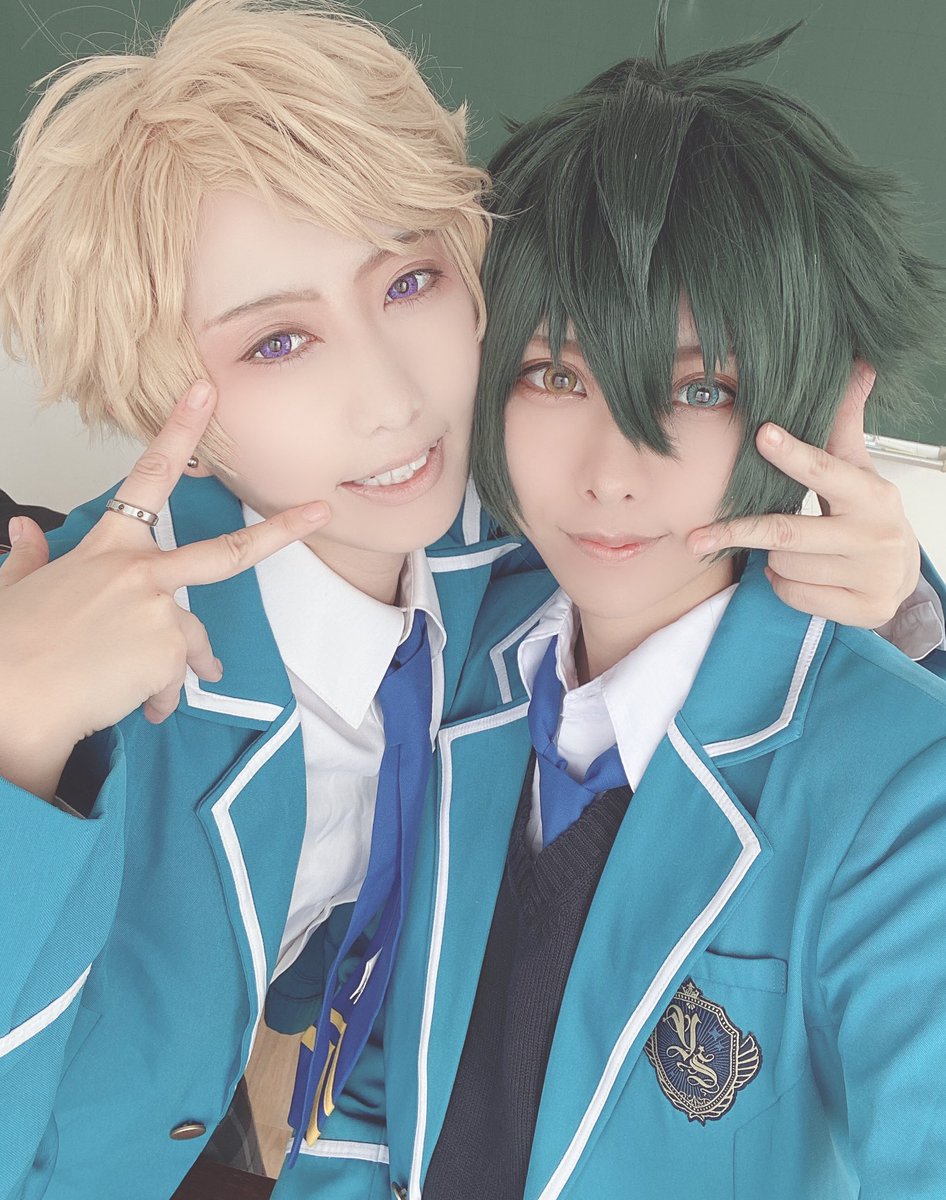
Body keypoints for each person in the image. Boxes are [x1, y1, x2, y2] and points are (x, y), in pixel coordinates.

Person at [0, 0, 938, 1195]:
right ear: (155, 382)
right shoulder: (68, 644)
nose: (394, 398)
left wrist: (900, 601)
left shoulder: (492, 540)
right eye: (277, 342)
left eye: (410, 281)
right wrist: (13, 740)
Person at [271, 12, 946, 1200]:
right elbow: (372, 1053)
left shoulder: (900, 785)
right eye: (554, 375)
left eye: (699, 388)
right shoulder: (457, 653)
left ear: (825, 398)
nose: (610, 472)